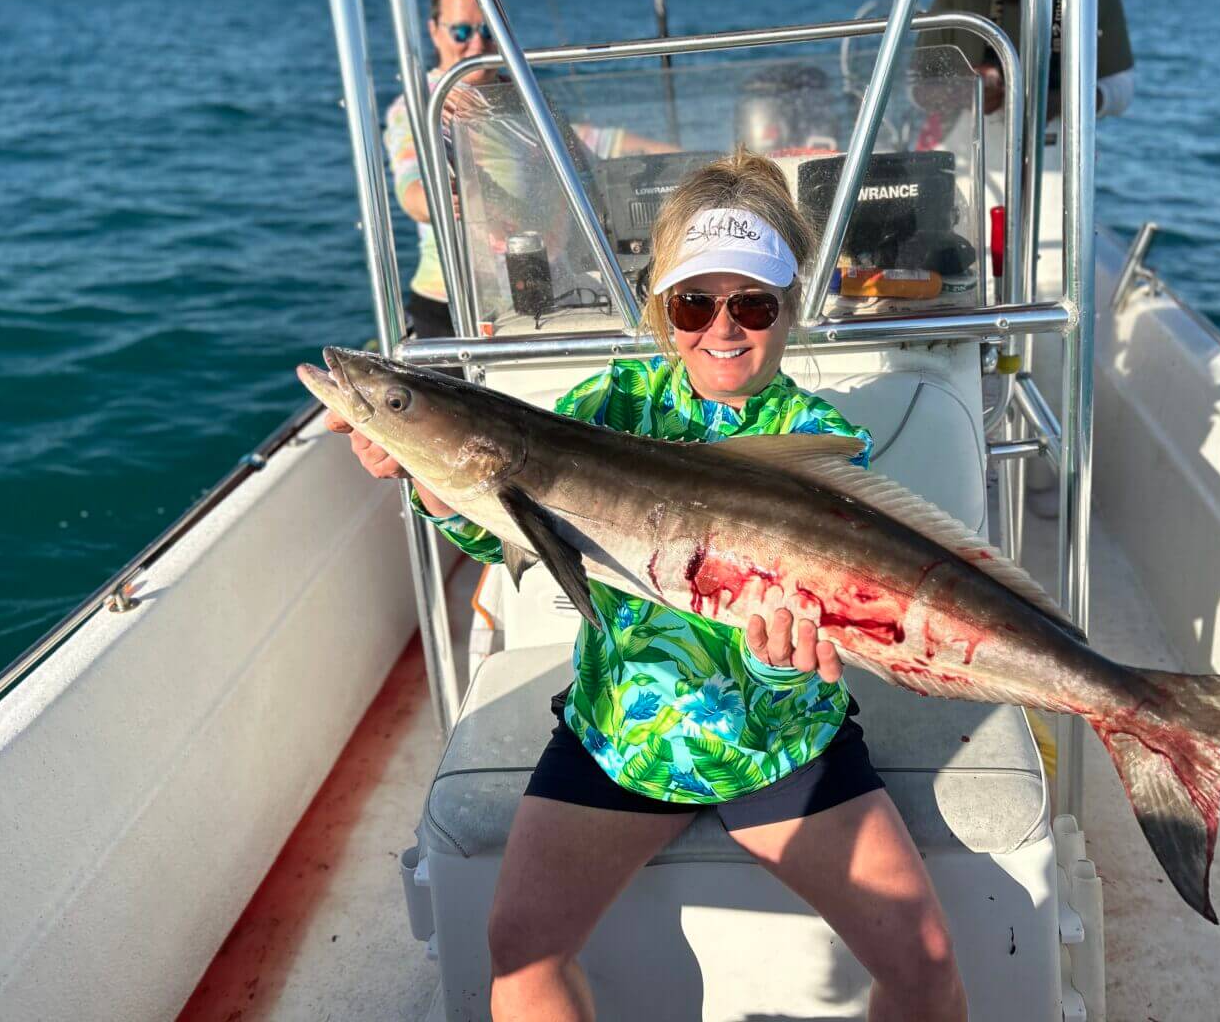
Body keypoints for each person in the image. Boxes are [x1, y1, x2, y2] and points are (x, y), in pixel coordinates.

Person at [326, 149, 968, 1021]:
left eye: (753, 303)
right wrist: (422, 472)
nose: (724, 328)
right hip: (625, 734)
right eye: (695, 303)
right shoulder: (612, 402)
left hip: (774, 742)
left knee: (925, 963)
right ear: (662, 309)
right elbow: (508, 522)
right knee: (518, 946)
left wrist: (787, 665)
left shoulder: (818, 441)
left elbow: (834, 628)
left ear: (790, 310)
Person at [383, 0, 676, 340]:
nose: (477, 44)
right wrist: (440, 201)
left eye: (489, 30)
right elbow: (411, 184)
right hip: (457, 309)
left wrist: (694, 159)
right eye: (461, 32)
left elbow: (596, 144)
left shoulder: (526, 99)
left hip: (548, 295)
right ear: (435, 31)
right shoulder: (423, 106)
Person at [917, 0, 1135, 122]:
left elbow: (1122, 87)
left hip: (1059, 145)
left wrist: (1063, 102)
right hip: (972, 142)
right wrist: (964, 93)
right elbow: (915, 87)